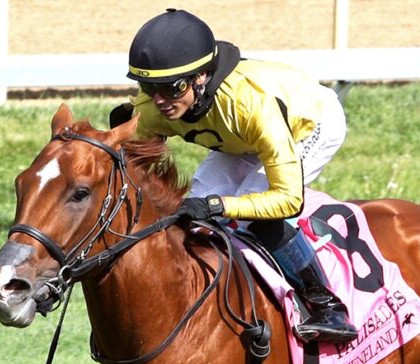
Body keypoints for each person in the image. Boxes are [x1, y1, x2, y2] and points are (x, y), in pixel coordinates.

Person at [110, 8, 357, 343]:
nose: (159, 101)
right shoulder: (158, 105)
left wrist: (218, 204)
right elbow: (120, 153)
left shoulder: (251, 105)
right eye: (149, 87)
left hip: (309, 124)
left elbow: (287, 199)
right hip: (238, 139)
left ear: (201, 78)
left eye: (171, 88)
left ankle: (326, 306)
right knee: (190, 218)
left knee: (249, 221)